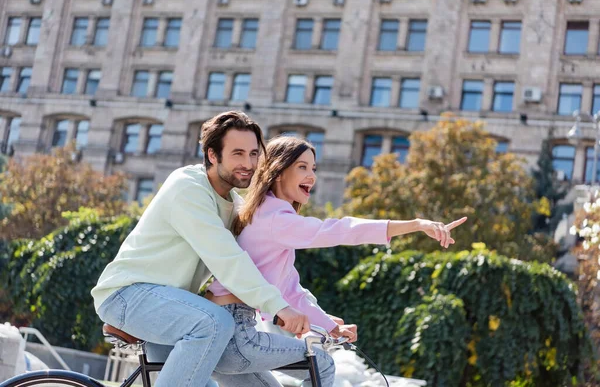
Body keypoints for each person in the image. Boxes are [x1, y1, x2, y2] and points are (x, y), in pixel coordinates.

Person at [206, 136, 467, 386]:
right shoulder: (275, 218)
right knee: (321, 364)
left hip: (221, 334)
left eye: (313, 168)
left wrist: (330, 326)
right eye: (302, 167)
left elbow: (289, 290)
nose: (312, 176)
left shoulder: (264, 213)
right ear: (278, 171)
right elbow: (341, 229)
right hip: (236, 335)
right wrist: (416, 224)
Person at [91, 111, 310, 387]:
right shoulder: (188, 188)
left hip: (174, 306)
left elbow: (272, 269)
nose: (248, 163)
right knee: (214, 323)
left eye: (254, 154)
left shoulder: (235, 205)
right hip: (128, 294)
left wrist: (315, 313)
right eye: (238, 154)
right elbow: (227, 260)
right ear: (212, 155)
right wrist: (278, 307)